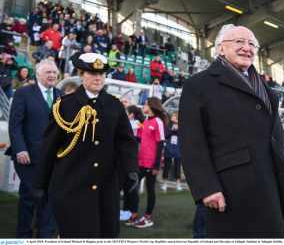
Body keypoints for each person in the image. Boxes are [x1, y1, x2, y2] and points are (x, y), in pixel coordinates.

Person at [179, 24, 284, 238]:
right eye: (239, 42)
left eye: (252, 44)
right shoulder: (199, 85)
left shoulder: (266, 88)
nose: (247, 48)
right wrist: (206, 187)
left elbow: (273, 131)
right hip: (231, 186)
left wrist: (283, 160)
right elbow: (192, 141)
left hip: (271, 180)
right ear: (221, 48)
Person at [34, 52, 138, 238]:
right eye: (92, 73)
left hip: (106, 188)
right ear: (81, 74)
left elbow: (126, 142)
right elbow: (49, 146)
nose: (98, 78)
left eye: (101, 74)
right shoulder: (65, 105)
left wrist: (131, 169)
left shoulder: (114, 105)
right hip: (72, 186)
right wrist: (40, 183)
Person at [7, 59, 61, 238]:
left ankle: (45, 236)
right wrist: (20, 149)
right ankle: (23, 236)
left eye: (54, 72)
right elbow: (15, 125)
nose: (52, 75)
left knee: (49, 199)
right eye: (48, 72)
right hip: (28, 158)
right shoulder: (24, 93)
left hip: (54, 161)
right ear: (38, 75)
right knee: (30, 198)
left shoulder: (62, 96)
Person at [127, 97, 166, 228]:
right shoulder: (145, 122)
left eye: (145, 104)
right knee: (132, 186)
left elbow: (160, 144)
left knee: (150, 189)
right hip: (141, 162)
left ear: (151, 106)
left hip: (151, 164)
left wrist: (156, 165)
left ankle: (148, 217)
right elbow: (139, 139)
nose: (143, 106)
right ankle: (134, 214)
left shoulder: (158, 122)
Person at [161, 111, 183, 191]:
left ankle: (178, 184)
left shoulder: (182, 125)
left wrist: (177, 130)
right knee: (167, 166)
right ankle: (164, 184)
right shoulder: (168, 125)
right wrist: (172, 130)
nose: (172, 117)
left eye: (174, 116)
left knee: (178, 167)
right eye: (172, 115)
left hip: (178, 149)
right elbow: (166, 134)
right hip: (169, 148)